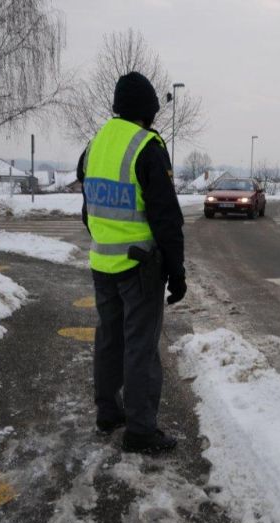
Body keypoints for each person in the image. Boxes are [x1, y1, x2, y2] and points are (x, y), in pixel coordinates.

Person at [76, 71, 186, 454]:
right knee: (140, 347)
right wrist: (177, 272)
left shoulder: (94, 145)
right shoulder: (147, 147)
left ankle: (108, 412)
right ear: (147, 111)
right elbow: (166, 218)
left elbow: (89, 209)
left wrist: (104, 238)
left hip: (102, 263)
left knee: (110, 338)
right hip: (140, 268)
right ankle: (140, 430)